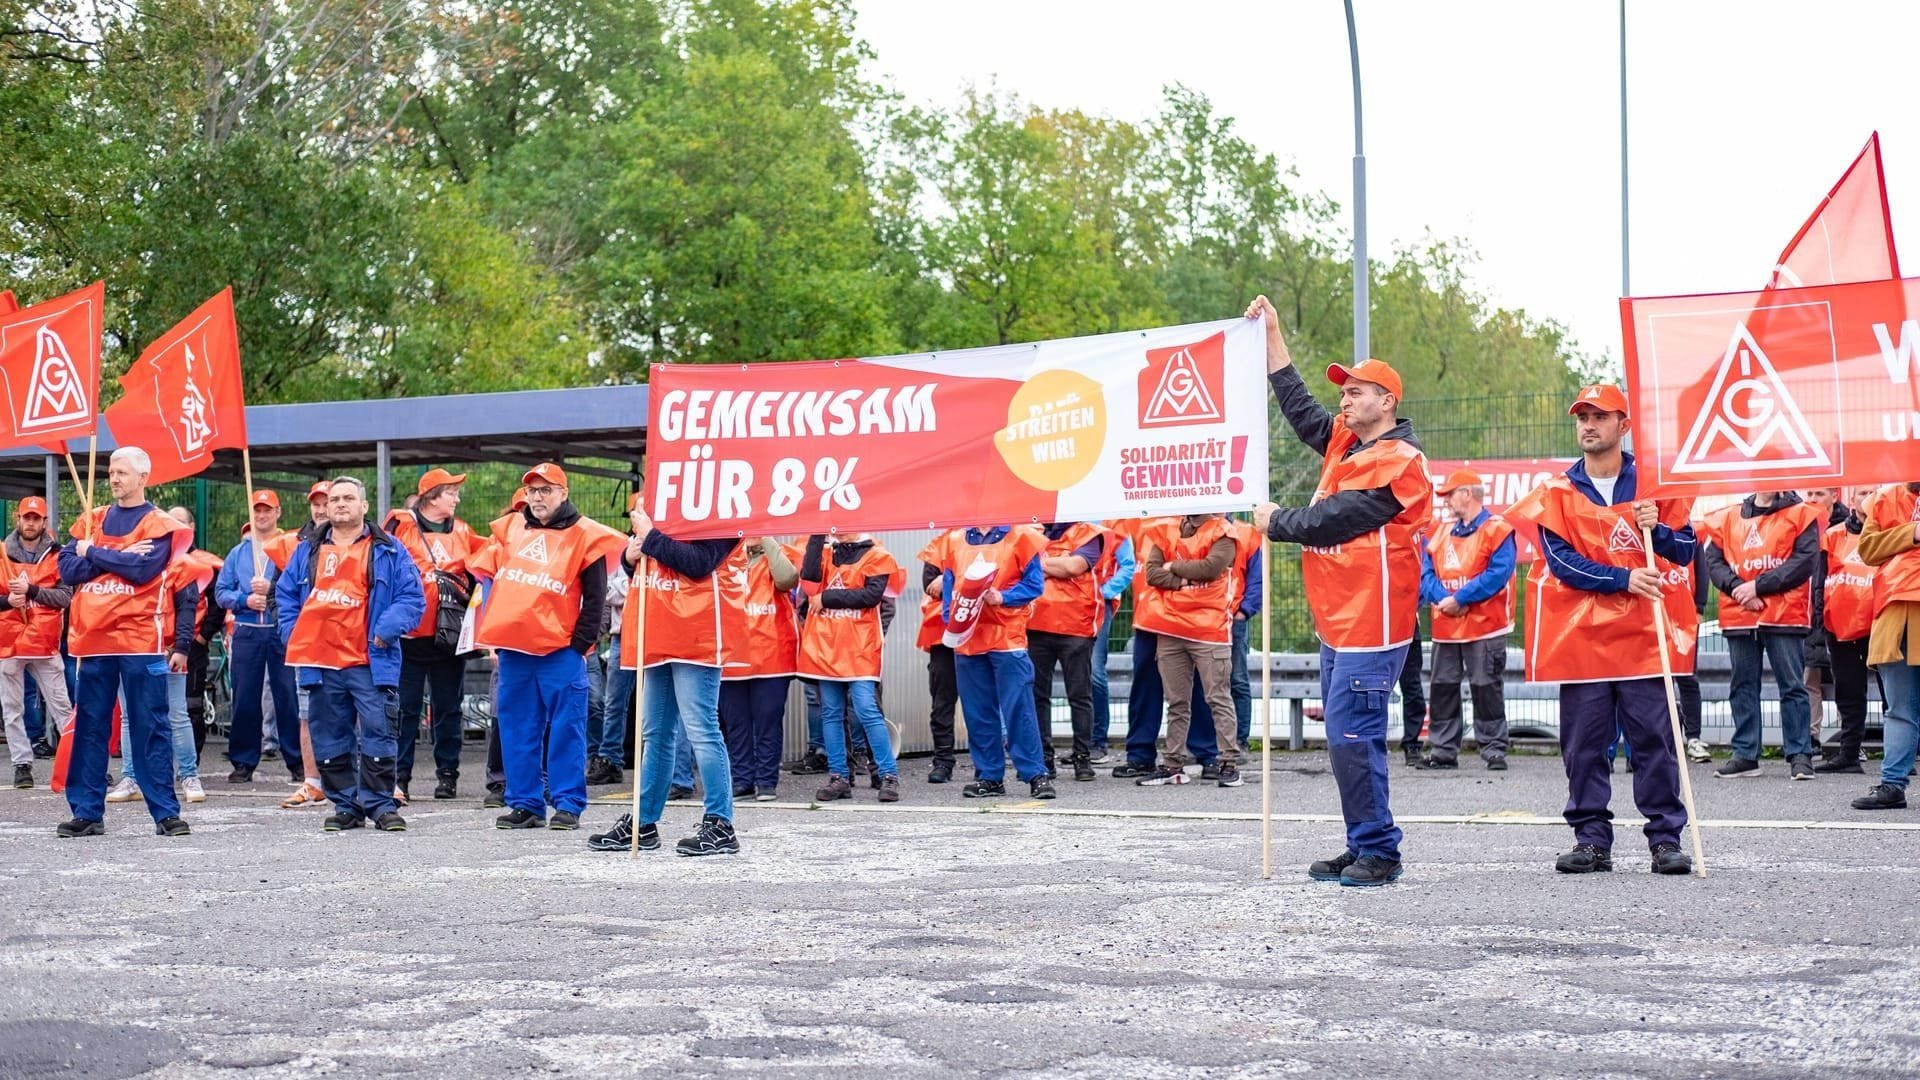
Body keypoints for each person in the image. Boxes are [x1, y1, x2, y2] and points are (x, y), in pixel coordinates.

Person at [1249, 295, 1432, 887]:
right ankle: (1364, 843)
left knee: (1355, 738)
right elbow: (1298, 406)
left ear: (1387, 402)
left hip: (1372, 622)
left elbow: (1339, 518)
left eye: (1356, 392)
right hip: (1339, 619)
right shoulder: (1345, 444)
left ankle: (1381, 851)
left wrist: (1275, 521)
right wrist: (1272, 337)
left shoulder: (1401, 460)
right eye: (1345, 392)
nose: (1345, 399)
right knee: (1345, 739)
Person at [1506, 384, 1696, 876]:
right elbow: (1562, 564)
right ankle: (1591, 839)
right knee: (1584, 745)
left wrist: (1662, 530)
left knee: (1654, 740)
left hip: (1644, 638)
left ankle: (1665, 840)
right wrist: (1625, 577)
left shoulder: (1654, 483)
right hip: (1583, 641)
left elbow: (1685, 551)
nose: (1588, 425)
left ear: (1623, 425)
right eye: (1582, 417)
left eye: (1600, 416)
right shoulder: (1558, 492)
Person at [467, 463, 622, 832]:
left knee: (567, 728)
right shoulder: (509, 529)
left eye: (546, 490)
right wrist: (495, 637)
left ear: (563, 493)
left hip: (560, 652)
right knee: (517, 729)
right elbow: (487, 582)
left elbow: (596, 597)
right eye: (533, 490)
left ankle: (568, 804)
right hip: (514, 651)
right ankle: (525, 804)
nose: (537, 497)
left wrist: (580, 645)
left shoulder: (586, 535)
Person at [54, 446, 193, 839]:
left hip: (139, 640)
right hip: (93, 641)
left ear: (143, 477)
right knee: (91, 728)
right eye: (112, 472)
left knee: (151, 726)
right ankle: (86, 812)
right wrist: (111, 555)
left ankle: (165, 812)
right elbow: (67, 568)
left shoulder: (160, 523)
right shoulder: (91, 518)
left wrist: (93, 552)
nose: (114, 478)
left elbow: (144, 568)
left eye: (122, 472)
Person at [587, 503, 740, 855]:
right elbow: (636, 562)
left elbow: (701, 563)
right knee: (654, 732)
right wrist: (630, 553)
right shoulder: (661, 507)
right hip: (657, 631)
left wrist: (649, 536)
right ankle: (643, 822)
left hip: (695, 635)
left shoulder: (724, 512)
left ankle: (721, 823)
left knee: (702, 729)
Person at [275, 477, 425, 832]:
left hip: (370, 660)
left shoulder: (389, 549)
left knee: (380, 732)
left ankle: (380, 805)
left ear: (364, 506)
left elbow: (412, 598)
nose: (340, 504)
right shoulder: (307, 550)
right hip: (320, 661)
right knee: (329, 735)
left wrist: (384, 630)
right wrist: (293, 635)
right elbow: (283, 598)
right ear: (325, 507)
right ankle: (346, 805)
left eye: (348, 498)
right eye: (334, 499)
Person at [1701, 490, 1822, 780]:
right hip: (1740, 613)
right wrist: (1737, 589)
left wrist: (1757, 587)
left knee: (1792, 685)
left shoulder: (1801, 513)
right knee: (1742, 684)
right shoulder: (1728, 517)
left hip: (1784, 613)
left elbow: (1804, 561)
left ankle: (1800, 755)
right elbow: (1713, 559)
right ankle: (1745, 754)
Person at [939, 523, 1054, 800]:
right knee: (978, 713)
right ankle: (989, 776)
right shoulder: (953, 540)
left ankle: (1036, 774)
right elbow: (948, 583)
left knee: (1019, 709)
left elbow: (1034, 585)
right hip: (969, 638)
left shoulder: (1022, 537)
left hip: (1006, 637)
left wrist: (1003, 597)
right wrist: (950, 619)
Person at [1134, 514, 1251, 788]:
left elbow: (1210, 568)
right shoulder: (1166, 528)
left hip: (1209, 628)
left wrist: (1173, 565)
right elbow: (1152, 573)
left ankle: (1228, 763)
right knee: (1176, 702)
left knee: (1217, 698)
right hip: (1171, 628)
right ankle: (1173, 765)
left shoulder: (1223, 531)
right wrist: (1184, 580)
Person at [386, 468, 478, 802]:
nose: (457, 498)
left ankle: (448, 775)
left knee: (448, 708)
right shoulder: (400, 526)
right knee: (405, 709)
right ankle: (399, 778)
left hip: (448, 634)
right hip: (409, 635)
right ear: (432, 495)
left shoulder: (465, 530)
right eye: (451, 492)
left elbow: (483, 568)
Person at [1417, 470, 1516, 771]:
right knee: (1443, 687)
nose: (1446, 500)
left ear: (1467, 494)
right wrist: (1443, 600)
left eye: (1451, 493)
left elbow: (1498, 573)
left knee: (1486, 686)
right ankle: (1444, 750)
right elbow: (1425, 572)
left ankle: (1494, 748)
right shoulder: (1440, 532)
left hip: (1485, 626)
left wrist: (1460, 599)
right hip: (1447, 626)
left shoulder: (1497, 529)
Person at [800, 533, 904, 802]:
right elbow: (809, 584)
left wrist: (828, 598)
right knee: (831, 714)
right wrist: (817, 535)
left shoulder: (877, 555)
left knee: (867, 710)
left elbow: (871, 595)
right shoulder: (824, 553)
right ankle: (839, 777)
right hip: (827, 648)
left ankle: (888, 774)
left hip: (860, 649)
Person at [214, 491, 303, 786]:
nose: (262, 515)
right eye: (257, 510)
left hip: (281, 630)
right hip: (247, 630)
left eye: (267, 510)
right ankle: (243, 761)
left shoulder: (291, 547)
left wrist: (272, 589)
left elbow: (302, 586)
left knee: (288, 697)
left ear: (278, 512)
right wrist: (245, 599)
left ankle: (297, 760)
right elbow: (221, 592)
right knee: (245, 698)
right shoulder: (238, 553)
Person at [1850, 482, 1920, 811]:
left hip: (1899, 608)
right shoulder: (1886, 498)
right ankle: (1892, 785)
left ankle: (1893, 784)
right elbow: (1868, 549)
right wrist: (1912, 534)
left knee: (1900, 709)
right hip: (1897, 610)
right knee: (1899, 708)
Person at [1026, 521, 1109, 782]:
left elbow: (1075, 566)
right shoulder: (1030, 533)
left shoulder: (1089, 533)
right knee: (1038, 696)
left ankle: (1082, 758)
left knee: (1079, 695)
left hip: (1076, 626)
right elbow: (1021, 568)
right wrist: (1058, 564)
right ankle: (1044, 759)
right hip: (1036, 625)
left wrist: (1042, 564)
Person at [718, 537, 799, 801]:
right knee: (736, 723)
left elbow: (787, 580)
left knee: (768, 720)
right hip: (732, 655)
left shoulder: (780, 554)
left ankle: (766, 781)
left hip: (771, 655)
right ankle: (742, 781)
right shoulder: (726, 557)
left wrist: (767, 541)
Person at [0, 497, 71, 790]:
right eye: (26, 517)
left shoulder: (59, 555)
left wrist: (32, 591)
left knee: (63, 707)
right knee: (12, 708)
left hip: (44, 642)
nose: (30, 523)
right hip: (8, 642)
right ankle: (21, 764)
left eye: (36, 518)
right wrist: (8, 601)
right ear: (18, 518)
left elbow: (66, 597)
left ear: (44, 522)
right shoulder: (2, 553)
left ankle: (76, 761)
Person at [1817, 489, 1878, 774]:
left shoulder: (1891, 531)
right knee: (1849, 692)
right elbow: (1820, 581)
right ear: (1852, 499)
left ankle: (1903, 754)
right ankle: (1850, 754)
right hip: (1841, 625)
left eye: (1875, 492)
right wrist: (1818, 620)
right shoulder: (1832, 535)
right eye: (1863, 492)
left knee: (1895, 692)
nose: (1869, 497)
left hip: (1882, 622)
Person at [1088, 524, 1137, 762]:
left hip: (1098, 605)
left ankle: (1097, 741)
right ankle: (1083, 742)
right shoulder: (1068, 518)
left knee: (1094, 671)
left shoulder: (1118, 526)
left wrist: (1104, 592)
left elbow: (1128, 567)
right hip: (1065, 605)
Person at [915, 531, 960, 783]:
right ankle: (943, 761)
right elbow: (930, 586)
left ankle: (988, 765)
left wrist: (949, 578)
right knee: (942, 701)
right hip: (943, 635)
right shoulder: (938, 545)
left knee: (986, 702)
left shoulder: (998, 539)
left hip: (986, 631)